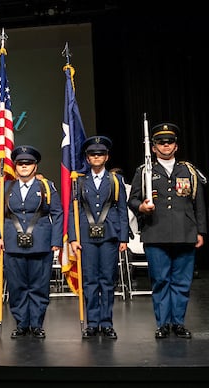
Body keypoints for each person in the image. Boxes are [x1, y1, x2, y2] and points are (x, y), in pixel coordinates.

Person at [128, 122, 207, 339]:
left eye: (169, 142)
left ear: (176, 146)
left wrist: (200, 231)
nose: (165, 145)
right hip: (156, 232)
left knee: (182, 282)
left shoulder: (188, 171)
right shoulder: (145, 171)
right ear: (153, 147)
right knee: (161, 280)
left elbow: (198, 203)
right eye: (160, 143)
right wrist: (141, 207)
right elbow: (132, 199)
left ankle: (178, 323)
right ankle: (163, 324)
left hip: (185, 232)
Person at [0, 145, 63, 339]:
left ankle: (37, 324)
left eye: (28, 163)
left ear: (35, 167)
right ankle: (22, 323)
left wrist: (56, 240)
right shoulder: (6, 187)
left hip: (41, 243)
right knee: (17, 286)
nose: (24, 166)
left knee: (39, 287)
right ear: (14, 166)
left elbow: (58, 214)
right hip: (12, 244)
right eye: (20, 163)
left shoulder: (46, 186)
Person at [69, 136, 129, 340]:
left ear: (107, 157)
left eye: (100, 154)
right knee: (90, 281)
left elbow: (122, 210)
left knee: (107, 280)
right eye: (92, 154)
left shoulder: (116, 180)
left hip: (109, 235)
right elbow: (73, 211)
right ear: (87, 158)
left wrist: (123, 238)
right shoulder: (79, 181)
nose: (96, 157)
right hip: (86, 236)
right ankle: (92, 323)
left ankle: (106, 323)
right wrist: (73, 238)